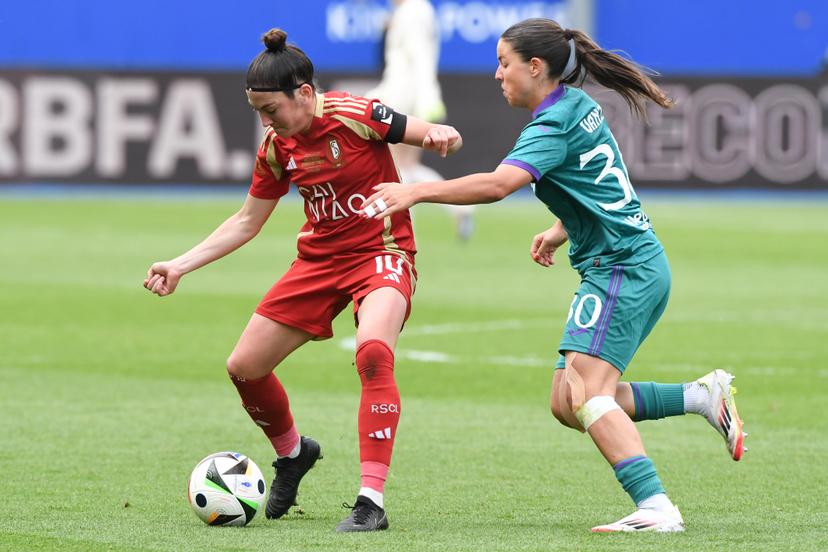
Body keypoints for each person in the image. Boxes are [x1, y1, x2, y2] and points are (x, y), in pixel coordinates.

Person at [359, 18, 746, 533]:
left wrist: (414, 191)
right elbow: (599, 179)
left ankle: (656, 507)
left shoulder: (551, 125)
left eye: (504, 63)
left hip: (622, 270)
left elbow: (499, 185)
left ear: (535, 67)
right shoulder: (578, 107)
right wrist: (562, 228)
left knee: (586, 390)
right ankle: (700, 396)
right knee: (567, 401)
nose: (498, 75)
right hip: (630, 263)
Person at [143, 29, 461, 533]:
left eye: (270, 110)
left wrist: (441, 135)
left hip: (382, 252)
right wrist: (181, 264)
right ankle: (293, 454)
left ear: (305, 94)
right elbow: (247, 221)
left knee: (374, 351)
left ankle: (370, 501)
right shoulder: (276, 147)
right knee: (244, 366)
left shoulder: (357, 115)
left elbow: (427, 133)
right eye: (258, 112)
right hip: (318, 264)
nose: (266, 121)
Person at [367, 0, 475, 241]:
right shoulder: (414, 11)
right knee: (405, 167)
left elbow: (419, 58)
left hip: (402, 96)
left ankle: (404, 231)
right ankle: (460, 209)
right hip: (405, 94)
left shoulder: (413, 11)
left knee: (397, 168)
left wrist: (427, 96)